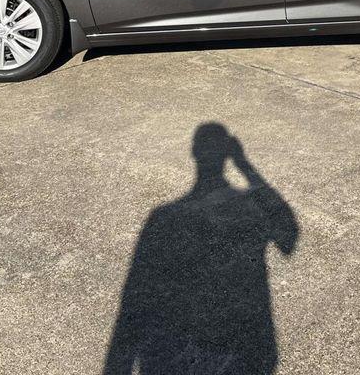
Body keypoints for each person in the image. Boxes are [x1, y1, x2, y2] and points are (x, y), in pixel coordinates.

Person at [103, 123, 299, 375]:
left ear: (194, 152)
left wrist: (117, 366)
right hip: (241, 346)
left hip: (174, 353)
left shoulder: (162, 217)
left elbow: (133, 296)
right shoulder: (249, 207)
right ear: (226, 154)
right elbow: (288, 236)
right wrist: (244, 164)